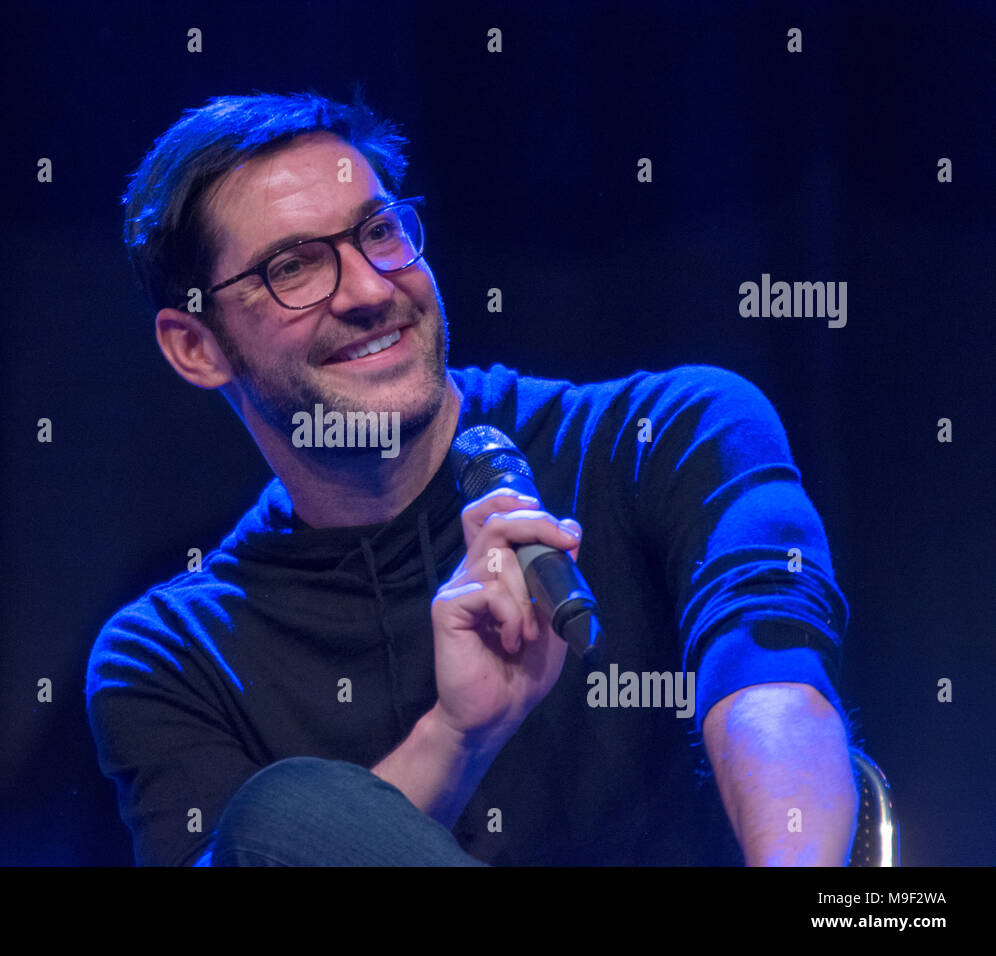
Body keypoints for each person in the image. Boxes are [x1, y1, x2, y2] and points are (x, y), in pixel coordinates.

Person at [85, 91, 858, 866]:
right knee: (283, 815)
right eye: (293, 267)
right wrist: (457, 736)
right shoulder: (170, 653)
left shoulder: (668, 431)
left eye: (379, 233)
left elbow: (773, 684)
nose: (370, 290)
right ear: (196, 347)